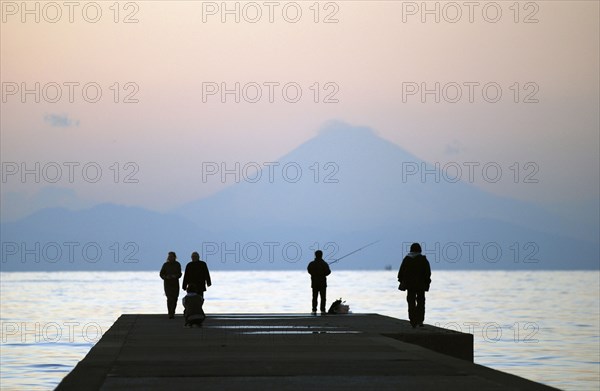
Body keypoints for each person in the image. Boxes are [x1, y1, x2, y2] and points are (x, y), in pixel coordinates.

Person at [398, 243, 431, 328]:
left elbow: (400, 273)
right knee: (421, 302)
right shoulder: (423, 260)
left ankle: (413, 321)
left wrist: (402, 282)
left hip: (410, 286)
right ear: (420, 250)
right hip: (421, 286)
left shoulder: (407, 259)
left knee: (411, 302)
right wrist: (427, 283)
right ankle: (420, 321)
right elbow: (427, 273)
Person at [307, 250, 331, 314]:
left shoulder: (311, 263)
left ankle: (314, 310)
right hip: (322, 283)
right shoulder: (324, 263)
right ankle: (323, 310)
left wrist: (314, 274)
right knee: (323, 297)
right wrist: (323, 274)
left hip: (314, 283)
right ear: (321, 255)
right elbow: (328, 272)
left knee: (314, 297)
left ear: (315, 255)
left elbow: (309, 270)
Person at [159, 251, 182, 319]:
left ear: (174, 257)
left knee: (175, 298)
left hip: (175, 283)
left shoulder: (177, 264)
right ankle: (170, 313)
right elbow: (161, 274)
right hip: (167, 284)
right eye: (169, 256)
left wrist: (175, 276)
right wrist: (166, 277)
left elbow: (180, 274)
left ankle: (173, 312)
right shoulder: (165, 265)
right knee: (169, 298)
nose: (170, 257)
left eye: (171, 256)